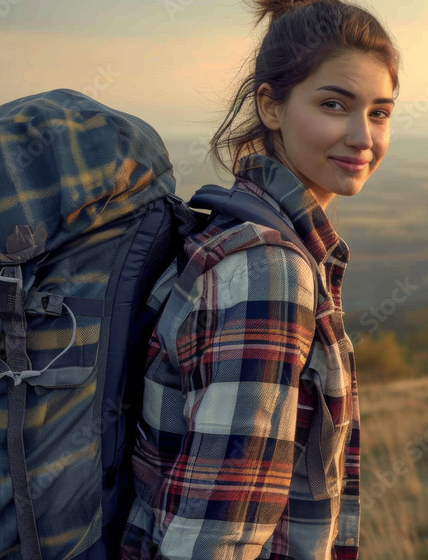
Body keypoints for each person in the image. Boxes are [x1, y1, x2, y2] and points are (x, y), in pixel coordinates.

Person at [121, 1, 399, 558]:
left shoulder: (238, 230)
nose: (362, 136)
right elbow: (218, 534)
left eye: (379, 112)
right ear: (270, 107)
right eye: (334, 105)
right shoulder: (268, 270)